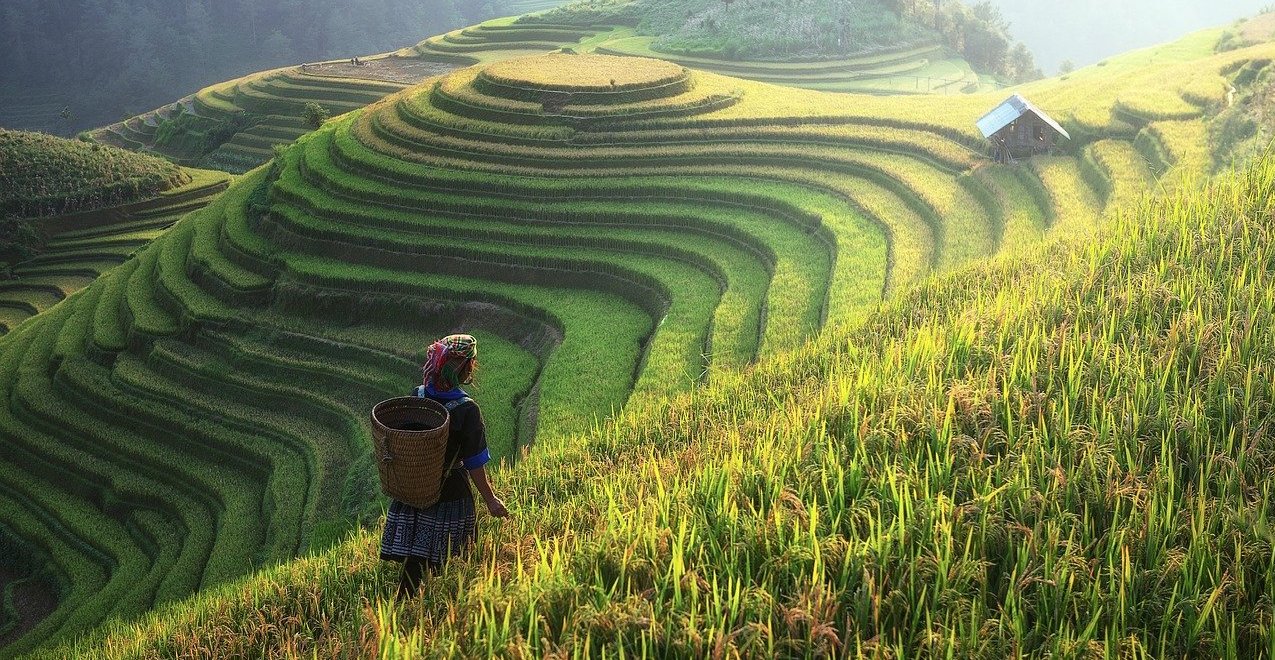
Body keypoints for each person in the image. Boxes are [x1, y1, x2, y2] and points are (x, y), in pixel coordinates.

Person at [379, 334, 509, 599]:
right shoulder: (467, 410)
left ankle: (407, 602)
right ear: (466, 367)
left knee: (416, 556)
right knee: (456, 553)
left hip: (415, 486)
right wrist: (491, 500)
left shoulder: (417, 396)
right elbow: (474, 464)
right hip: (449, 490)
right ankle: (446, 603)